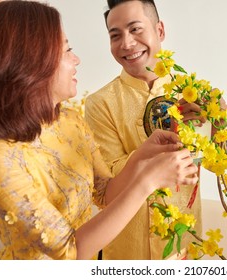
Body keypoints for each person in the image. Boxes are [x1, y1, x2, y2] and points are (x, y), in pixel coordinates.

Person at [0, 0, 198, 260]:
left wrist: (142, 155)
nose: (76, 59)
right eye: (66, 50)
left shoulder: (69, 121)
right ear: (30, 63)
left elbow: (104, 193)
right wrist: (147, 181)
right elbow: (70, 252)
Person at [84, 0, 207, 260]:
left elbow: (217, 161)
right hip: (126, 255)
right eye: (115, 35)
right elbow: (107, 194)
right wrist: (145, 157)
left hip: (184, 249)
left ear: (160, 31)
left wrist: (217, 126)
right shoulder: (100, 103)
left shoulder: (192, 92)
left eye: (136, 29)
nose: (126, 44)